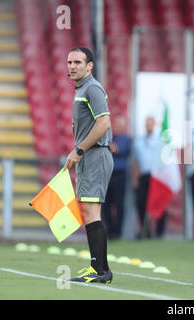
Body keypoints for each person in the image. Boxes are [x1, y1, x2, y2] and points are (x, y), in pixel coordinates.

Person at [65, 46, 113, 283]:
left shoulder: (92, 88)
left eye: (77, 62)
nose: (72, 66)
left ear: (89, 65)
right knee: (89, 212)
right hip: (89, 156)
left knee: (91, 212)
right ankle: (100, 268)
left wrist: (80, 149)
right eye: (69, 62)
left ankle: (100, 271)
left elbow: (104, 123)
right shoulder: (83, 88)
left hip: (94, 155)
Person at [132, 116, 167, 238]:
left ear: (154, 125)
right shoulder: (139, 141)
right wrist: (134, 178)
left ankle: (159, 232)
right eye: (147, 123)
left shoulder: (160, 140)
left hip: (157, 176)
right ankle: (145, 231)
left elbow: (164, 159)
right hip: (144, 176)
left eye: (150, 123)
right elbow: (135, 161)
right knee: (141, 203)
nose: (148, 126)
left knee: (159, 204)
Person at [101, 115, 131, 239]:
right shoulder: (110, 138)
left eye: (119, 125)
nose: (116, 127)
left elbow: (116, 149)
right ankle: (108, 229)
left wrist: (107, 146)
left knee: (119, 204)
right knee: (106, 204)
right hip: (107, 175)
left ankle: (118, 231)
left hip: (120, 175)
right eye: (115, 124)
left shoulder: (125, 139)